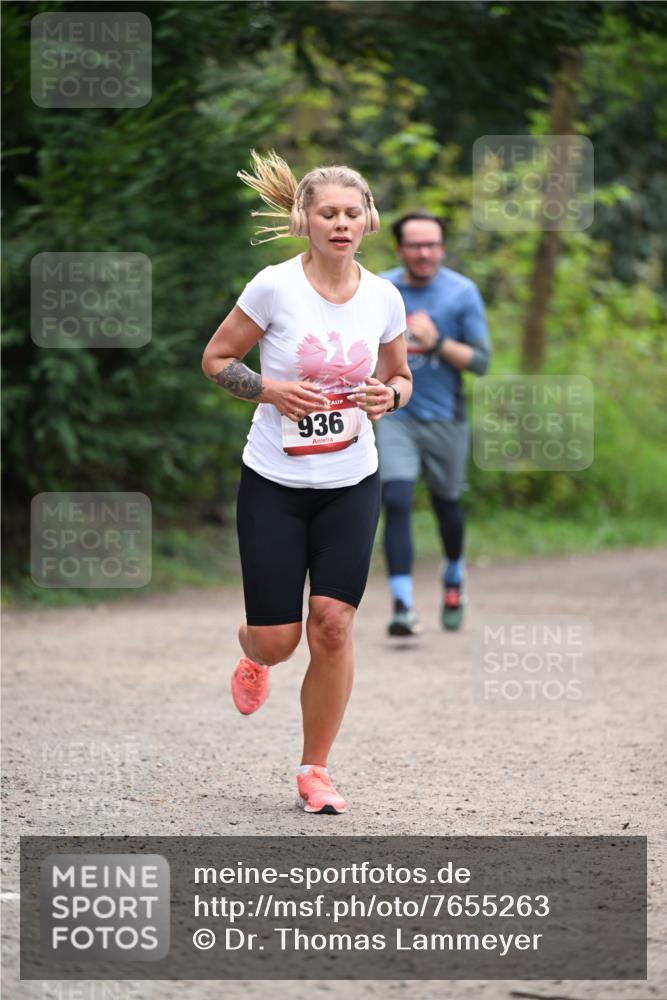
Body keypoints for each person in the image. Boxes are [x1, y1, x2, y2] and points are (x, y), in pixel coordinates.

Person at [201, 152, 412, 814]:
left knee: (332, 622)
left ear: (369, 219)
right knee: (278, 637)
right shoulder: (272, 286)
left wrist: (391, 398)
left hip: (351, 478)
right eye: (327, 213)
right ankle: (254, 655)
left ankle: (314, 770)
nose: (341, 223)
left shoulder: (384, 296)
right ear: (304, 220)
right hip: (275, 480)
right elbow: (216, 358)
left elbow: (400, 375)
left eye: (352, 213)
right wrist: (268, 389)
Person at [375, 211, 491, 636]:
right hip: (394, 413)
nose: (424, 253)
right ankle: (403, 605)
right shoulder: (381, 290)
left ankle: (454, 573)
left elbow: (481, 361)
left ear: (442, 247)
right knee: (398, 499)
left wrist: (436, 342)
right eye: (415, 245)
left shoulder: (462, 293)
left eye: (432, 245)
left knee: (447, 506)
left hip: (446, 417)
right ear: (400, 248)